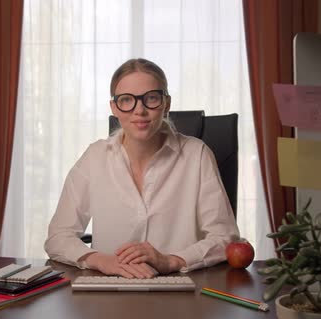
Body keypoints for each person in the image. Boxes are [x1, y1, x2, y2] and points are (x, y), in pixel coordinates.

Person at [44, 58, 239, 278]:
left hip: (179, 287)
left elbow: (225, 237)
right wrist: (100, 261)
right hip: (109, 289)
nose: (140, 110)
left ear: (166, 104)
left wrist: (171, 261)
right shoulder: (94, 157)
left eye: (151, 98)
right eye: (127, 100)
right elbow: (58, 237)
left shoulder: (197, 154)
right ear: (114, 107)